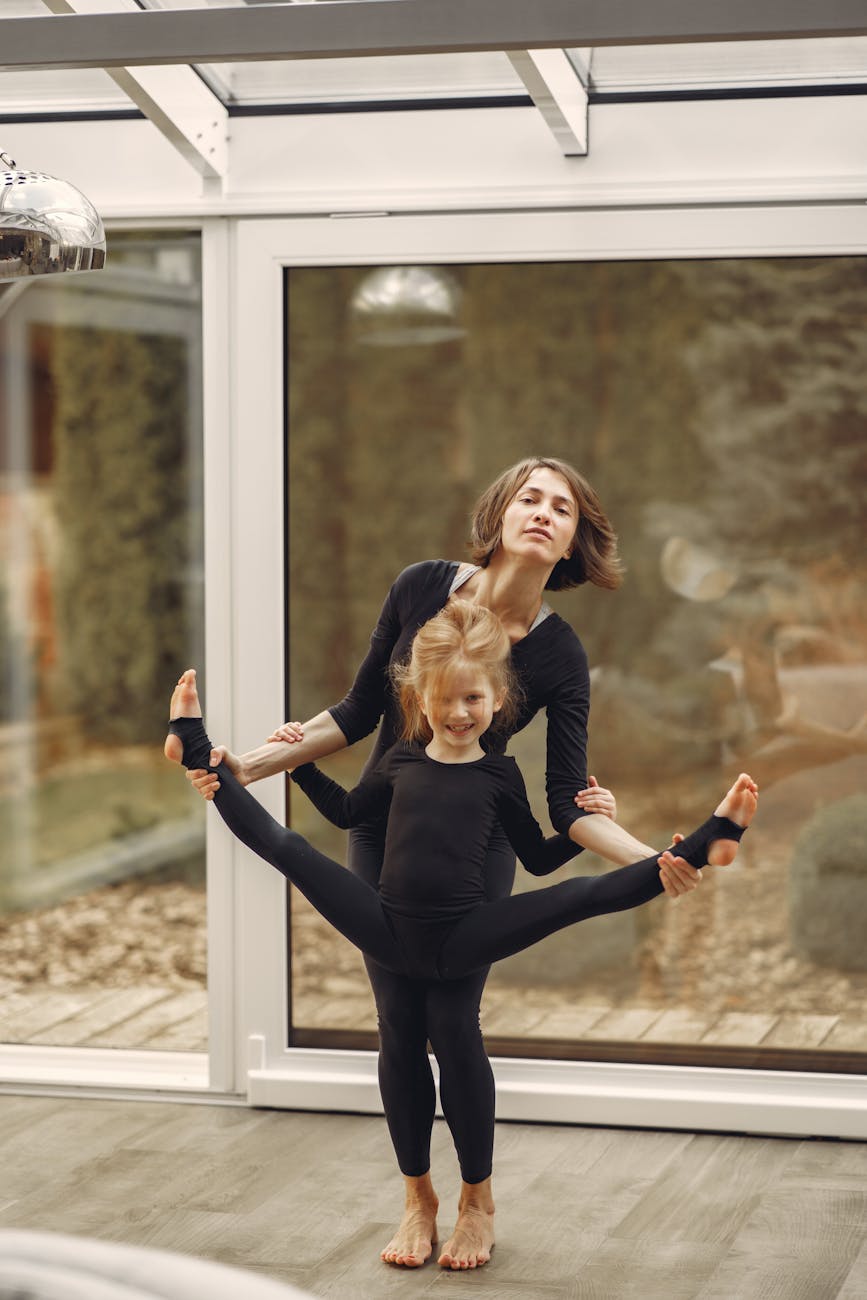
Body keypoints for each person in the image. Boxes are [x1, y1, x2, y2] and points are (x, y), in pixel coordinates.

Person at [173, 457, 724, 1269]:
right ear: (500, 514)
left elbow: (566, 803)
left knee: (451, 1024)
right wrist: (245, 767)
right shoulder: (421, 586)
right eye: (528, 497)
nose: (542, 512)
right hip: (383, 822)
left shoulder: (558, 656)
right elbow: (362, 711)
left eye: (560, 507)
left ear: (575, 540)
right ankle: (416, 1197)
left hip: (481, 838)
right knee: (397, 1025)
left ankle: (477, 1201)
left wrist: (657, 861)